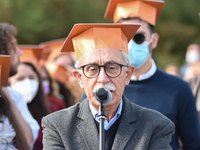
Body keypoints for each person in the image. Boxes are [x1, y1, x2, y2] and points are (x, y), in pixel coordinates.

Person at [42, 23, 175, 150]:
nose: (103, 79)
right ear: (80, 78)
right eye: (92, 69)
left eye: (112, 68)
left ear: (127, 75)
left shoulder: (155, 126)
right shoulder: (57, 125)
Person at [103, 0, 200, 149]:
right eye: (125, 38)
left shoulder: (179, 88)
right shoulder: (103, 88)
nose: (130, 44)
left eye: (139, 37)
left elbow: (193, 144)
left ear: (153, 40)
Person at [9, 62, 66, 150]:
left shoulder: (52, 109)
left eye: (32, 77)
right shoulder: (5, 113)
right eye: (20, 78)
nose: (27, 83)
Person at [0, 23, 39, 149]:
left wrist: (4, 90)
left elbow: (28, 142)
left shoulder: (14, 96)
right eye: (14, 46)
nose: (20, 52)